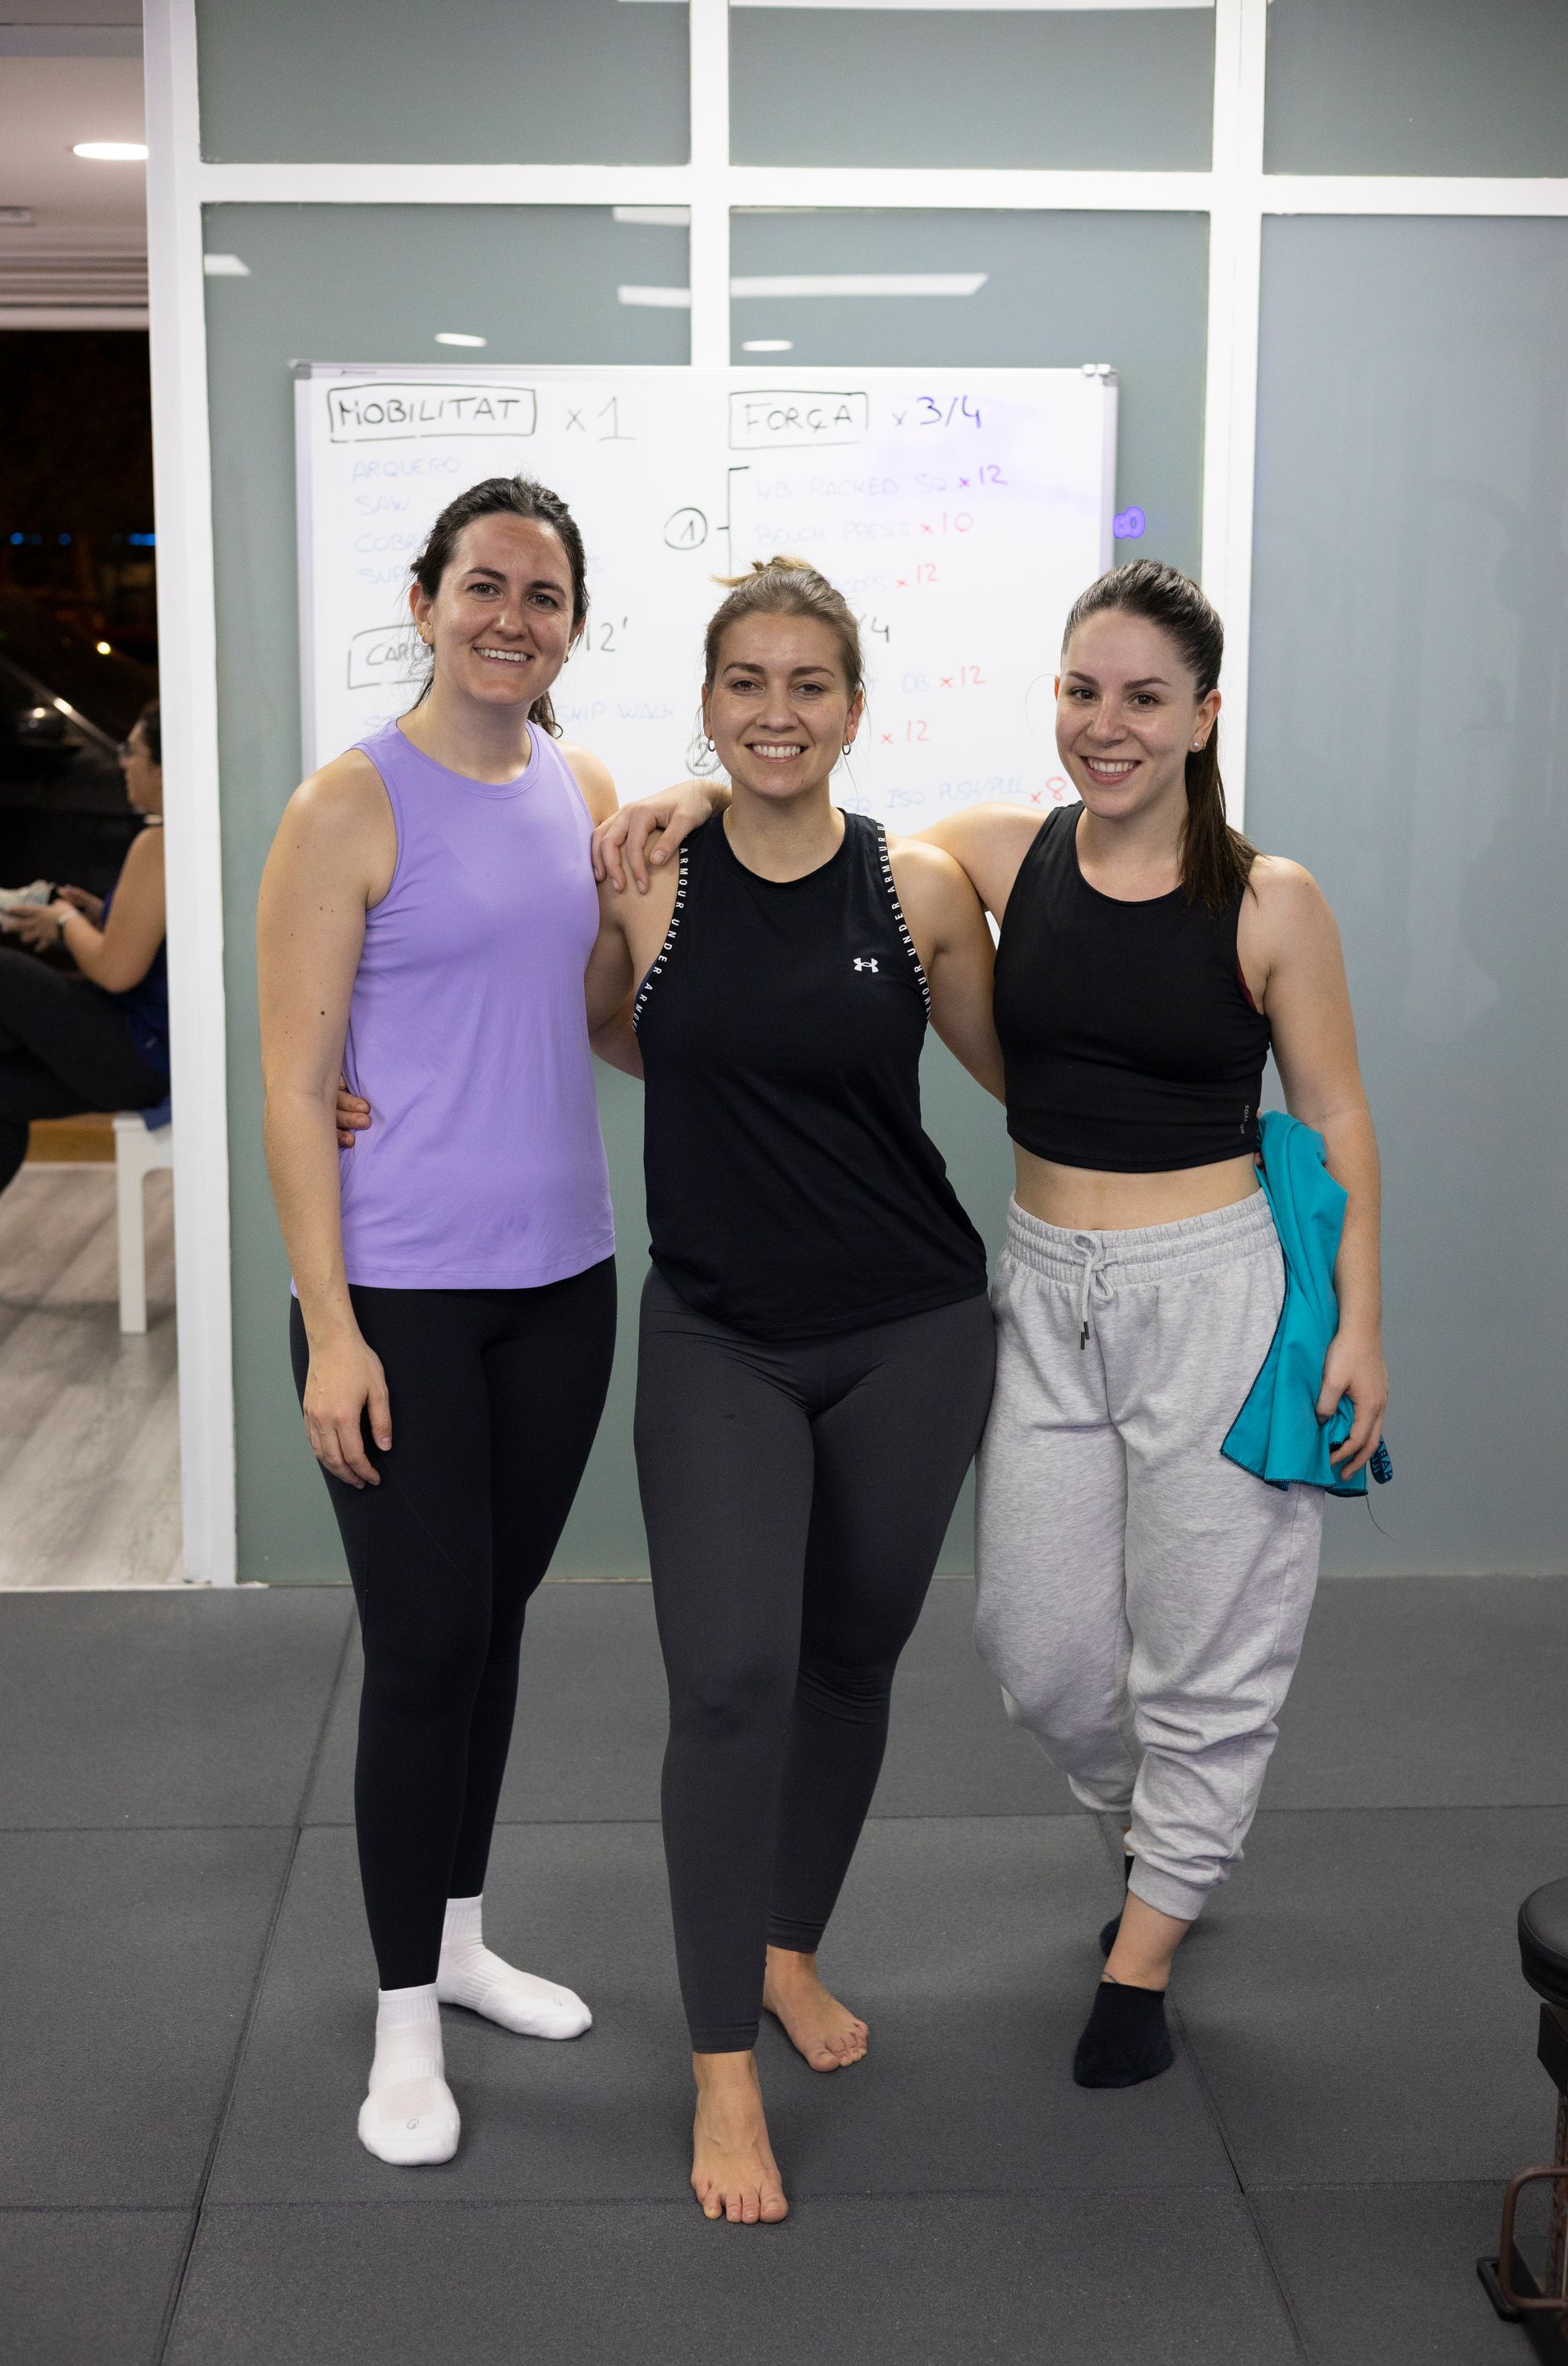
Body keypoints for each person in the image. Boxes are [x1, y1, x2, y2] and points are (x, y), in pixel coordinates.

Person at [593, 558, 1389, 2096]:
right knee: (1040, 1655)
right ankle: (1169, 1841)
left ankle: (1144, 1949)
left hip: (1215, 1289)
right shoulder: (984, 860)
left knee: (1210, 1657)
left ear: (1205, 715)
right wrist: (692, 794)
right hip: (1038, 1286)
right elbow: (788, 808)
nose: (1109, 725)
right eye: (1084, 692)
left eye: (1147, 697)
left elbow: (1339, 1113)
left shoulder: (1271, 899)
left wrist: (1361, 1321)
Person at [579, 557, 1002, 2226]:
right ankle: (718, 2074)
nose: (775, 711)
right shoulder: (648, 879)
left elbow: (1030, 1072)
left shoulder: (917, 890)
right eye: (745, 683)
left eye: (806, 684)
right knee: (731, 1686)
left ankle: (787, 1949)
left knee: (847, 1664)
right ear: (707, 702)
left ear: (852, 707)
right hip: (721, 1336)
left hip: (913, 1326)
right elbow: (617, 1034)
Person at [258, 476, 619, 2169]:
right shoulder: (348, 803)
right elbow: (288, 1077)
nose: (511, 617)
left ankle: (463, 1941)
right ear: (423, 601)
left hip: (563, 1288)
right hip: (397, 1296)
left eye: (543, 596)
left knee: (498, 1627)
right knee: (419, 1651)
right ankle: (405, 2026)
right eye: (484, 585)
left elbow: (606, 1018)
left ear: (569, 627)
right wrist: (329, 1327)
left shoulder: (587, 789)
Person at [0, 699, 169, 1210]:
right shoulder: (176, 839)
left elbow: (117, 971)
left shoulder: (158, 843)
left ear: (162, 765)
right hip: (148, 1048)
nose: (122, 763)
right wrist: (94, 916)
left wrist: (67, 924)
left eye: (131, 752)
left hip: (144, 1051)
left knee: (0, 972)